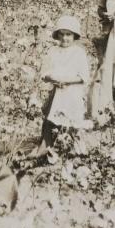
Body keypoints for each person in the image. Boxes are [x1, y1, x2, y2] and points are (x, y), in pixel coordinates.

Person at [35, 15, 91, 156]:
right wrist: (52, 78)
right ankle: (47, 145)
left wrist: (67, 81)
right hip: (56, 90)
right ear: (57, 35)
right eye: (62, 34)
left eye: (68, 35)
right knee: (51, 116)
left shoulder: (79, 53)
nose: (65, 38)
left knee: (72, 120)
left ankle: (72, 146)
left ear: (74, 36)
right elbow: (44, 73)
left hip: (72, 92)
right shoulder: (53, 51)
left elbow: (83, 77)